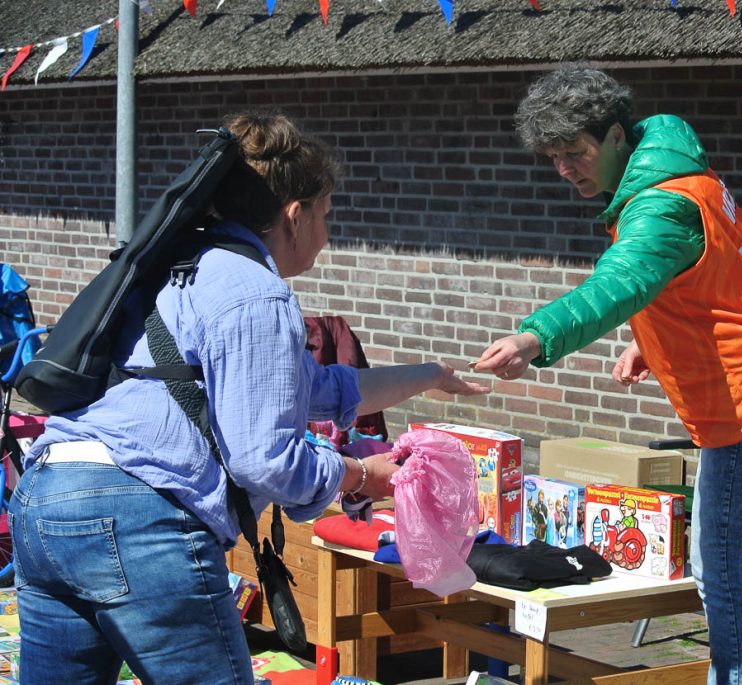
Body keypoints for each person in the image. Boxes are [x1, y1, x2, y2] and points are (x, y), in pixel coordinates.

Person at [10, 112, 489, 685]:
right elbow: (264, 459)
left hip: (45, 501)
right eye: (326, 215)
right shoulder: (257, 294)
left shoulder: (177, 266)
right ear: (295, 215)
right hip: (138, 516)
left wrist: (432, 375)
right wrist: (362, 474)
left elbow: (320, 389)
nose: (327, 234)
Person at [473, 66, 742, 685]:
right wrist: (652, 341)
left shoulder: (661, 205)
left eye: (575, 152)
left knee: (718, 562)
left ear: (616, 135)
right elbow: (708, 277)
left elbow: (620, 282)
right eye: (554, 157)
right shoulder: (674, 169)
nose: (565, 169)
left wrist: (535, 337)